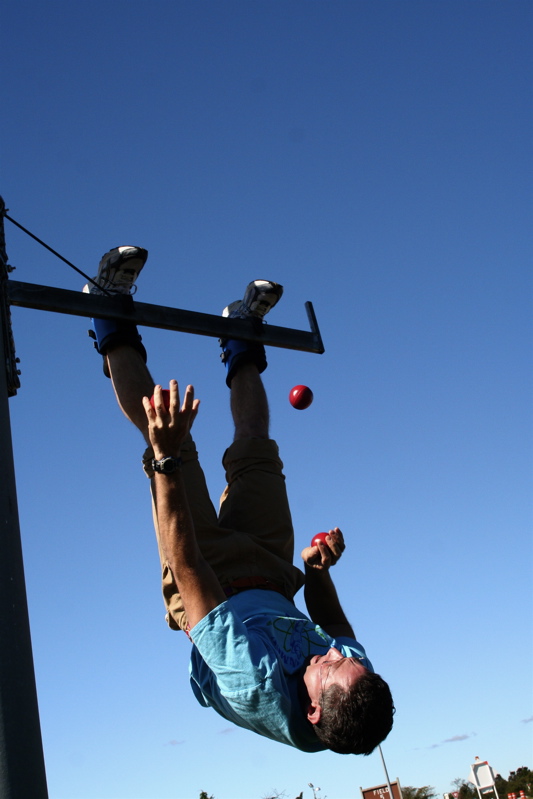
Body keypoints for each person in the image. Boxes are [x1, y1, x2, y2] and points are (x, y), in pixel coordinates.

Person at [84, 245, 395, 755]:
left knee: (169, 435)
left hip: (211, 581)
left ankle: (106, 310)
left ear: (312, 711)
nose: (335, 655)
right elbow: (336, 628)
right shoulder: (355, 685)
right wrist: (317, 572)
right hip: (271, 569)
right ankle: (240, 337)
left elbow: (187, 567)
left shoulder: (253, 681)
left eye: (329, 667)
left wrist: (165, 460)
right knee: (256, 447)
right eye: (348, 659)